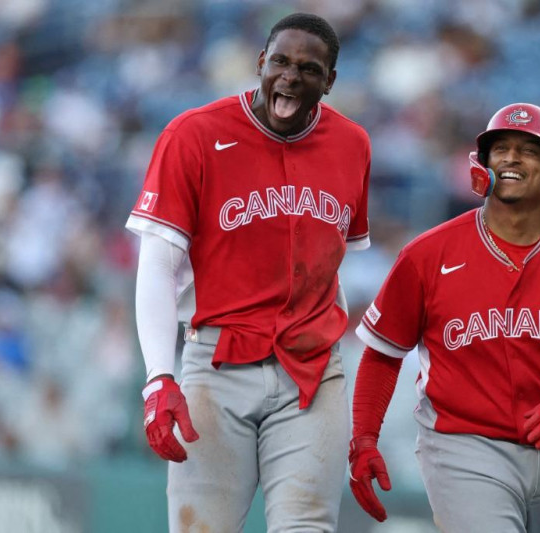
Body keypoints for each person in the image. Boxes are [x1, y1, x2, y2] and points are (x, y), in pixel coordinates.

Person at [348, 103, 540, 532]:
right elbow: (383, 354)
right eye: (501, 148)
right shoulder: (428, 254)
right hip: (460, 443)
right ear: (483, 166)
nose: (511, 157)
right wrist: (364, 438)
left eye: (530, 150)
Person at [126, 13, 371, 532]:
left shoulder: (352, 145)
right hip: (216, 363)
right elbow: (157, 267)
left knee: (306, 526)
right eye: (280, 61)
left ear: (329, 82)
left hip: (313, 368)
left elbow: (334, 262)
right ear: (260, 62)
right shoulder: (194, 134)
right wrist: (158, 377)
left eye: (308, 68)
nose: (289, 76)